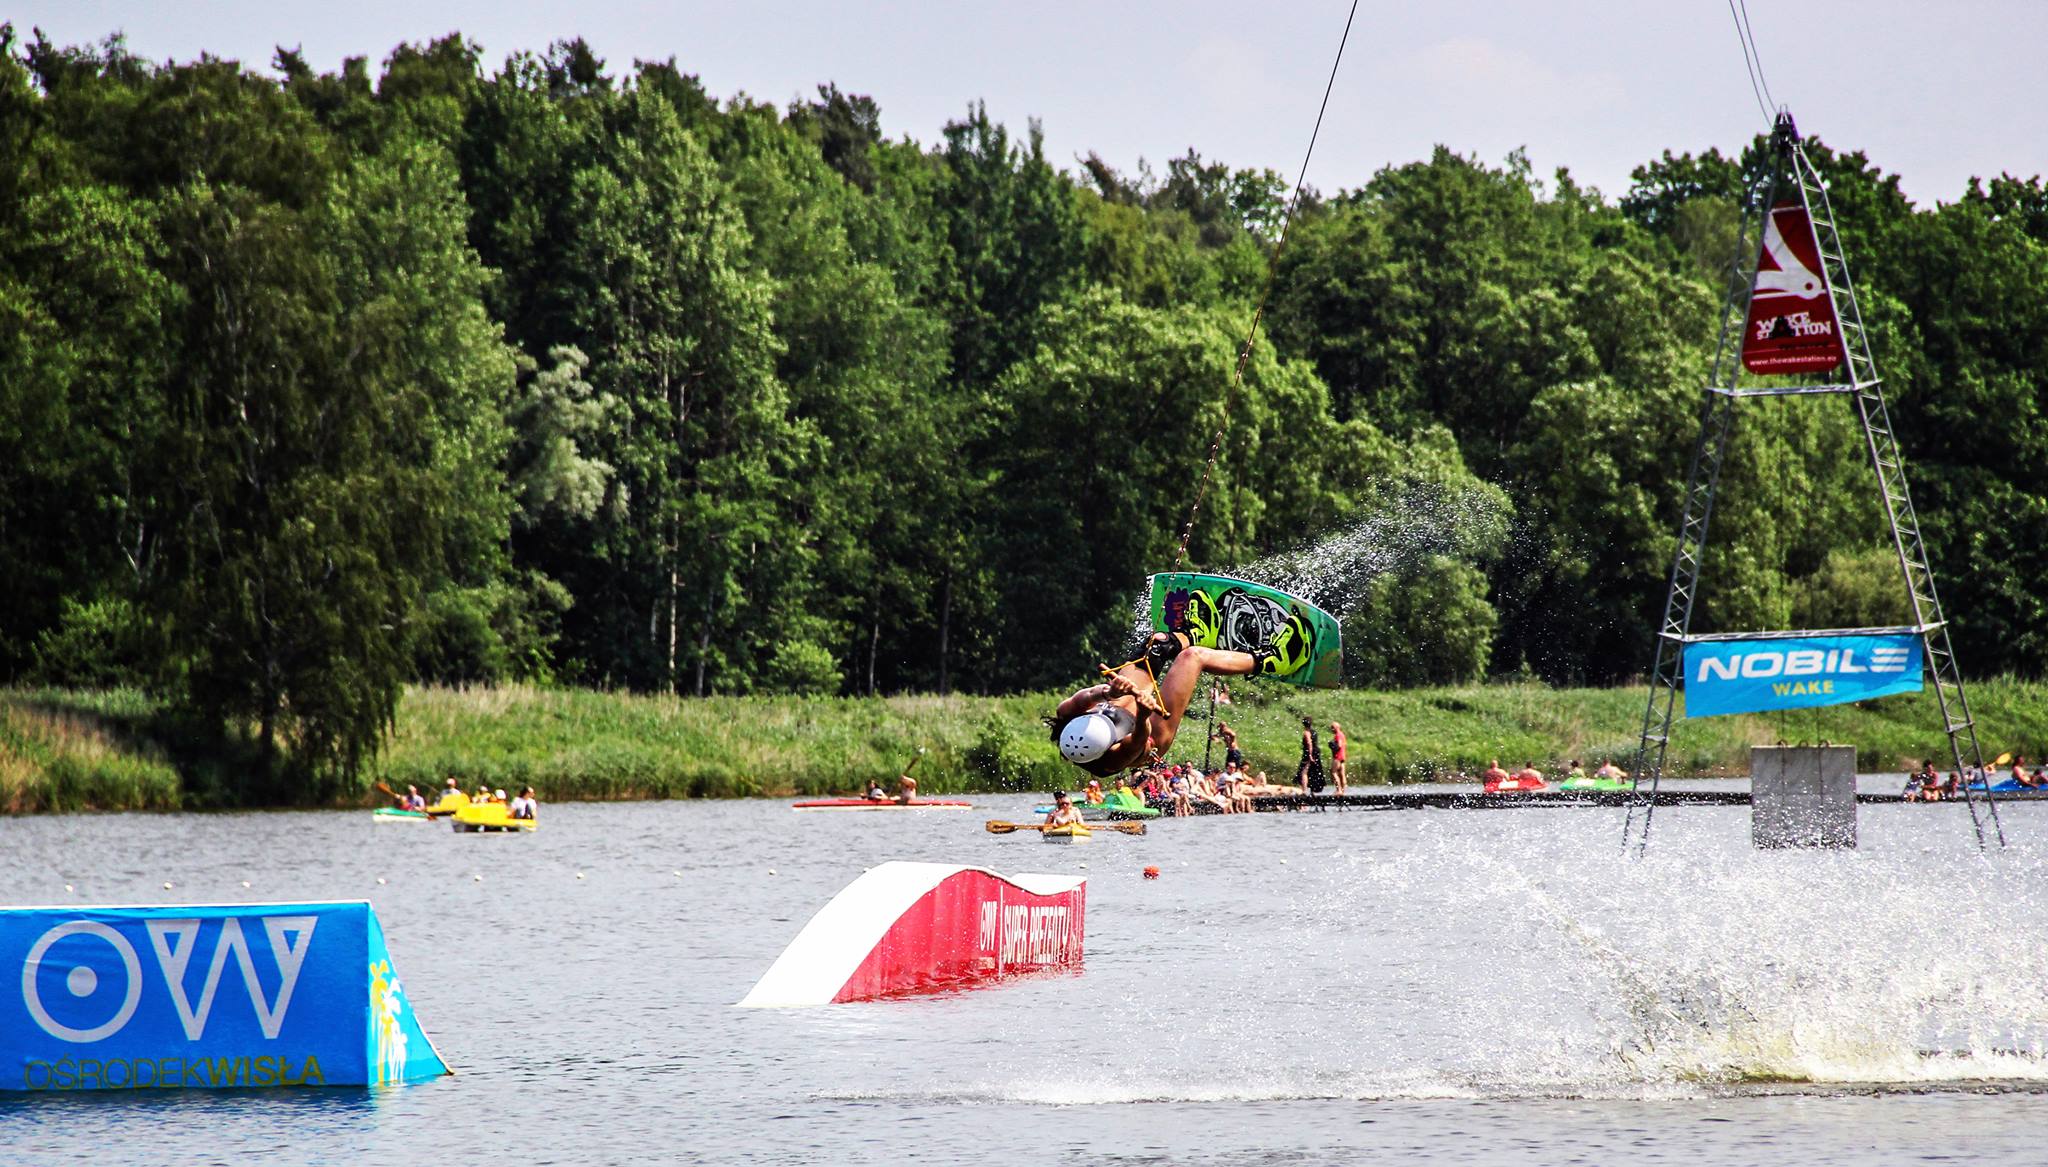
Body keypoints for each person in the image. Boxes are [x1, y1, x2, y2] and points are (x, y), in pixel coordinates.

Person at [1050, 631, 1263, 779]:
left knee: (1157, 645)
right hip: (1150, 740)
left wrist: (1108, 691)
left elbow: (1084, 697)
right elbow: (1140, 739)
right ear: (1107, 744)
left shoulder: (1067, 718)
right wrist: (1143, 714)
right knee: (1192, 657)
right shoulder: (1113, 759)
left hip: (1121, 712)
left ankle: (1194, 633)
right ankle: (1266, 659)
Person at [1296, 716, 1324, 794]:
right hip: (1316, 752)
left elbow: (1309, 744)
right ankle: (1312, 792)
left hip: (1310, 753)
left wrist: (1310, 755)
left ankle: (1304, 791)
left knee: (1304, 772)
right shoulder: (1314, 731)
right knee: (1313, 772)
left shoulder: (1306, 732)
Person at [1329, 721, 1348, 796]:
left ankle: (1338, 790)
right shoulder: (1342, 734)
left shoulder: (1338, 735)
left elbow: (1339, 745)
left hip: (1338, 756)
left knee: (1333, 772)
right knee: (1342, 774)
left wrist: (1332, 746)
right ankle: (1343, 791)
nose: (1332, 729)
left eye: (1333, 728)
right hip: (1343, 756)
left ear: (1337, 727)